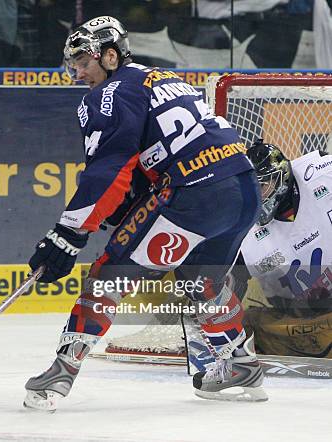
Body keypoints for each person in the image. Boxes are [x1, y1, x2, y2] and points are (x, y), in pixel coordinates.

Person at [23, 15, 266, 411]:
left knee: (109, 273)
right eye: (73, 66)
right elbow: (148, 160)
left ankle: (61, 372)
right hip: (242, 187)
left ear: (111, 56)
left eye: (84, 63)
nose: (78, 74)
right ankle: (241, 363)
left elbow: (110, 167)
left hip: (194, 192)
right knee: (201, 281)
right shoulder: (163, 78)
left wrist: (69, 232)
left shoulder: (109, 92)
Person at [229, 141, 332, 359]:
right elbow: (229, 283)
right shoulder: (242, 229)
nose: (256, 197)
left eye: (261, 186)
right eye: (249, 189)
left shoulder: (322, 174)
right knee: (247, 324)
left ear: (281, 178)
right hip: (299, 319)